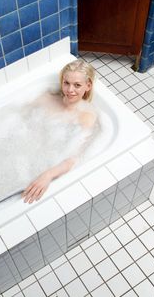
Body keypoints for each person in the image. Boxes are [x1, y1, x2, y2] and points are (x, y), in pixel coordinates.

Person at [22, 59, 98, 204]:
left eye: (77, 85)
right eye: (66, 83)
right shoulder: (47, 98)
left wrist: (48, 175)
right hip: (27, 151)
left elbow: (73, 158)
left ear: (88, 86)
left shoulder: (86, 117)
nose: (70, 90)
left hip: (43, 161)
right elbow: (21, 116)